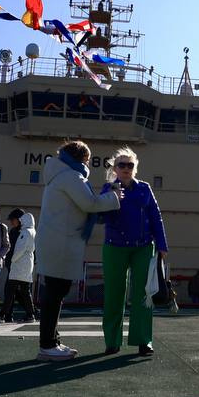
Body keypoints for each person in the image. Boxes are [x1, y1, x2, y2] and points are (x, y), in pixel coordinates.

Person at [35, 141, 121, 360]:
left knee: (55, 291)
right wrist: (114, 197)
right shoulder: (71, 177)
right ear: (81, 158)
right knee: (55, 292)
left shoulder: (59, 174)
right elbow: (89, 203)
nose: (88, 164)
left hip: (55, 240)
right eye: (88, 160)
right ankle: (47, 344)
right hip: (61, 242)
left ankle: (52, 340)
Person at [97, 148, 169, 356]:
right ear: (114, 168)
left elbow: (156, 217)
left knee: (144, 294)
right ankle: (112, 341)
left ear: (135, 168)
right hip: (114, 247)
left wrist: (162, 246)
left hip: (143, 247)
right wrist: (110, 198)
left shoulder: (145, 189)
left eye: (130, 165)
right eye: (122, 165)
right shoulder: (107, 188)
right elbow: (100, 217)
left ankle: (143, 340)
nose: (126, 168)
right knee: (113, 294)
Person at [1, 209, 37, 323]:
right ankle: (29, 313)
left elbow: (19, 250)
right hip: (20, 266)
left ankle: (6, 314)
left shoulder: (24, 233)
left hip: (18, 266)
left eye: (14, 219)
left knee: (12, 290)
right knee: (19, 291)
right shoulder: (22, 232)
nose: (12, 222)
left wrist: (11, 260)